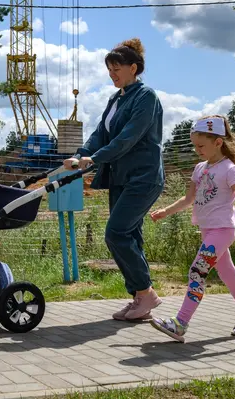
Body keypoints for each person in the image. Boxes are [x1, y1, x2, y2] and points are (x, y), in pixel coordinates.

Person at [64, 38, 165, 321]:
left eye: (116, 68)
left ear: (133, 68)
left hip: (143, 177)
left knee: (116, 233)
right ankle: (139, 300)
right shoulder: (116, 99)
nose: (112, 74)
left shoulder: (146, 97)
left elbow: (128, 137)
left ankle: (146, 293)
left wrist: (95, 159)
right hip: (121, 178)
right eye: (109, 70)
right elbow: (101, 134)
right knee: (130, 235)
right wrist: (81, 153)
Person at [149, 115, 235, 342]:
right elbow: (188, 198)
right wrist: (166, 211)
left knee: (197, 270)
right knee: (230, 277)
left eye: (201, 146)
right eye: (194, 146)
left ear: (218, 142)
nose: (197, 150)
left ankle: (180, 323)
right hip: (208, 230)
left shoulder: (230, 170)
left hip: (222, 231)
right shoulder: (200, 168)